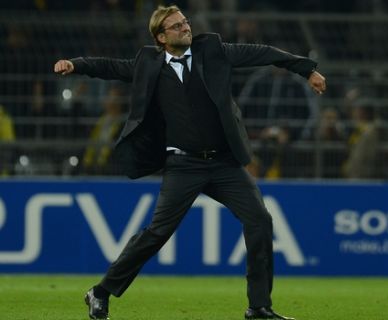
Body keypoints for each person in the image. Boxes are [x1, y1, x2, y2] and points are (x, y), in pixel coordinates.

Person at [54, 5, 326, 320]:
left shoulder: (213, 50)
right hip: (183, 166)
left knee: (260, 221)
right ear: (160, 37)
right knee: (156, 233)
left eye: (185, 22)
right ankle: (100, 292)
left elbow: (263, 52)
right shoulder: (148, 63)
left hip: (225, 164)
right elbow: (111, 67)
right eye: (176, 25)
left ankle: (259, 307)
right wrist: (75, 64)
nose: (185, 27)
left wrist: (307, 69)